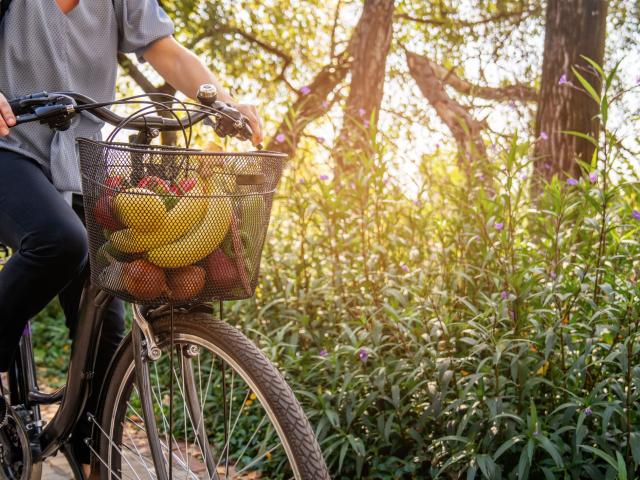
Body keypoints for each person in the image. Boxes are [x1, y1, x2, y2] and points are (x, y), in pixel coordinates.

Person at [0, 0, 263, 476]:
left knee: (107, 320)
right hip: (8, 148)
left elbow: (164, 48)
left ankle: (93, 460)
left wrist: (219, 99)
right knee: (61, 240)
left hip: (83, 161)